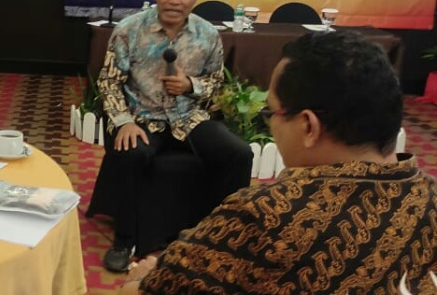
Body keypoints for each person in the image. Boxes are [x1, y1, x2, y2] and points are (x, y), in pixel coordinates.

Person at [122, 31, 437, 294]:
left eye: (270, 112)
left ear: (308, 126)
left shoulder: (262, 217)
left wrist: (140, 278)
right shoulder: (431, 199)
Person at [94, 0, 253, 272]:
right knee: (131, 153)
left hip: (188, 118)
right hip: (141, 117)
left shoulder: (208, 34)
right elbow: (109, 81)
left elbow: (216, 83)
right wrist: (123, 121)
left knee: (239, 153)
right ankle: (125, 239)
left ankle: (220, 233)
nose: (175, 1)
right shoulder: (129, 30)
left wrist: (190, 85)